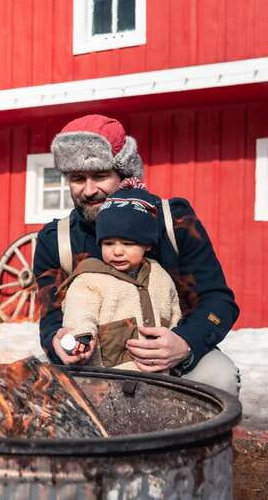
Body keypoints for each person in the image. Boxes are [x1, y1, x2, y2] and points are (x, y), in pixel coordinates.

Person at [33, 114, 240, 396]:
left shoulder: (173, 222)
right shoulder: (56, 240)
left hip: (172, 358)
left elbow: (218, 300)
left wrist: (185, 343)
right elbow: (51, 315)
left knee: (220, 378)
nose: (89, 190)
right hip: (92, 364)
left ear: (125, 175)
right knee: (35, 388)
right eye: (78, 178)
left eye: (100, 175)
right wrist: (57, 340)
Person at [60, 188, 181, 372]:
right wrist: (82, 335)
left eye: (128, 244)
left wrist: (175, 337)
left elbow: (174, 312)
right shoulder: (90, 279)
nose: (117, 251)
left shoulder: (160, 276)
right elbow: (80, 310)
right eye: (108, 243)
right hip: (110, 378)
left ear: (147, 245)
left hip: (160, 374)